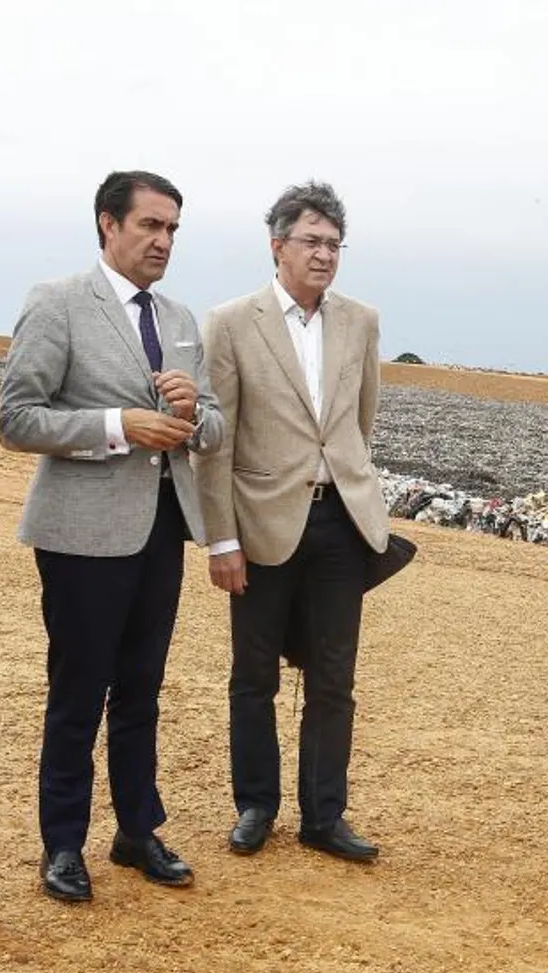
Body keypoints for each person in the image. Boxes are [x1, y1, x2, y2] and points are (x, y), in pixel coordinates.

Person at [0, 170, 225, 903]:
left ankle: (136, 828)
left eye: (172, 230)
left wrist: (195, 409)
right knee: (76, 691)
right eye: (151, 226)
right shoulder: (58, 303)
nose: (163, 242)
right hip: (82, 535)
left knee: (142, 689)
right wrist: (115, 426)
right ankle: (62, 842)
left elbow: (214, 426)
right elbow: (16, 418)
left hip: (163, 530)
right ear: (108, 224)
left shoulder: (182, 319)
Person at [193, 180, 391, 863]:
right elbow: (216, 441)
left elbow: (359, 423)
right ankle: (256, 804)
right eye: (311, 241)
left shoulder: (361, 320)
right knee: (254, 675)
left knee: (334, 675)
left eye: (335, 243)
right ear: (276, 246)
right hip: (260, 525)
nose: (325, 254)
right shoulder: (229, 322)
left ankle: (323, 815)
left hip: (340, 522)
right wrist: (222, 537)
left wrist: (349, 486)